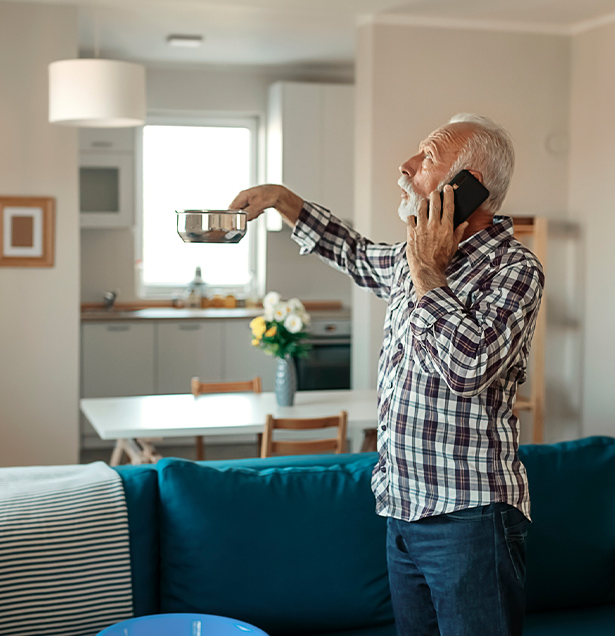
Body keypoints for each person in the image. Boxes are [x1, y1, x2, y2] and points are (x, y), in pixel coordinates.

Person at [229, 113, 544, 636]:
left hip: (469, 516)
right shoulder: (409, 258)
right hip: (402, 509)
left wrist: (428, 273)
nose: (406, 166)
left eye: (426, 157)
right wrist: (285, 201)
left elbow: (467, 369)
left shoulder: (514, 269)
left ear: (465, 189)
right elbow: (353, 252)